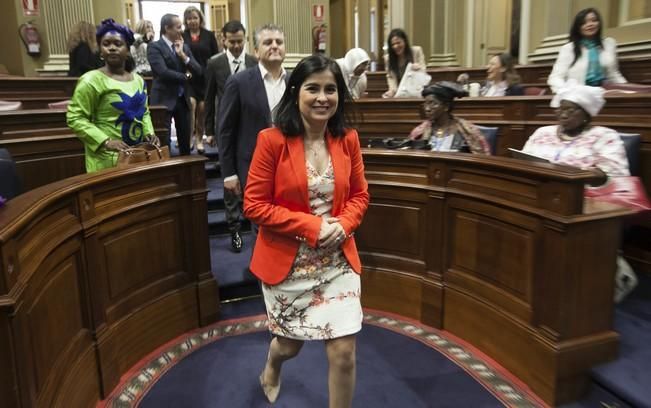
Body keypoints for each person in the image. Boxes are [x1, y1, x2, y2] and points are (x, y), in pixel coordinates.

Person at [243, 54, 369, 407]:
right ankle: (273, 362)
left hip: (337, 260)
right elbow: (254, 205)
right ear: (296, 92)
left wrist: (344, 224)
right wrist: (311, 226)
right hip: (289, 262)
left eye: (331, 89)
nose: (322, 97)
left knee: (344, 351)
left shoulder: (348, 139)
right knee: (290, 345)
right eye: (313, 88)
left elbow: (360, 196)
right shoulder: (271, 140)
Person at [217, 23, 287, 252]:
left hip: (289, 165)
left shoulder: (295, 81)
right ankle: (264, 279)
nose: (274, 46)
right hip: (253, 165)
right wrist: (229, 173)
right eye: (268, 42)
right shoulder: (239, 82)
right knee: (262, 225)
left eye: (279, 42)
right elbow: (225, 130)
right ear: (256, 51)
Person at [67, 19, 158, 173]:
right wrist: (106, 141)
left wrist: (149, 132)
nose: (112, 48)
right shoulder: (91, 80)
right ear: (100, 50)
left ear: (127, 49)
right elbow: (75, 118)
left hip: (137, 155)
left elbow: (144, 112)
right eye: (106, 44)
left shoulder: (138, 80)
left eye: (117, 43)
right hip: (106, 159)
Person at [204, 20, 257, 252]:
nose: (236, 46)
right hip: (226, 129)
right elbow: (208, 99)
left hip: (251, 129)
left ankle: (255, 224)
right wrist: (208, 130)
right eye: (231, 42)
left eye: (240, 41)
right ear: (223, 40)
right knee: (230, 180)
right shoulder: (214, 64)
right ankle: (234, 228)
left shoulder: (254, 62)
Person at [522, 83, 629, 177]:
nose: (563, 115)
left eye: (570, 110)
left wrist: (578, 176)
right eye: (560, 109)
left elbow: (616, 174)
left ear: (586, 114)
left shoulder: (605, 136)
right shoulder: (542, 132)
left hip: (583, 193)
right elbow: (522, 160)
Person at [147, 13, 202, 155]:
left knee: (185, 142)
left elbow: (198, 70)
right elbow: (163, 72)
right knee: (163, 144)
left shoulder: (183, 47)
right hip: (162, 100)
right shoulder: (154, 47)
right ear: (167, 28)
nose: (182, 30)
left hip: (182, 100)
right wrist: (186, 76)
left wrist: (182, 55)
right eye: (178, 27)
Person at [547, 8, 627, 93]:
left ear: (599, 23)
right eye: (584, 23)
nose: (590, 24)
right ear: (578, 27)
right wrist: (566, 92)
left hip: (602, 92)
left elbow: (613, 74)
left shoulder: (609, 44)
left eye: (594, 20)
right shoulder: (569, 48)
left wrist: (628, 90)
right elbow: (555, 78)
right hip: (577, 94)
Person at [408, 81, 491, 154]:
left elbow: (482, 158)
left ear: (446, 106)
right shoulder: (420, 132)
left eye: (433, 103)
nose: (427, 109)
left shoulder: (467, 130)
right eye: (426, 103)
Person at [182, 6, 220, 154]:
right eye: (189, 18)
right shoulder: (182, 35)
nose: (192, 21)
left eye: (195, 17)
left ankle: (199, 138)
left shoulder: (209, 35)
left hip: (206, 78)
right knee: (191, 106)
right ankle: (189, 137)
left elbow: (215, 55)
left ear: (200, 19)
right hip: (189, 78)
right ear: (186, 20)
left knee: (203, 109)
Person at [382, 28, 426, 98]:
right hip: (399, 94)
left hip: (416, 92)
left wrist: (418, 68)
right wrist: (392, 91)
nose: (395, 46)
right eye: (393, 44)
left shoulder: (416, 51)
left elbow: (423, 71)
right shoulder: (388, 58)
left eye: (398, 43)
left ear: (405, 41)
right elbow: (391, 77)